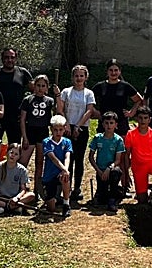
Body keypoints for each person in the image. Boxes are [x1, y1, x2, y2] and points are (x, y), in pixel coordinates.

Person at [58, 65, 97, 204]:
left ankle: (77, 188)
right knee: (68, 159)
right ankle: (65, 188)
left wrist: (78, 126)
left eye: (81, 76)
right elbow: (61, 109)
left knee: (79, 159)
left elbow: (89, 111)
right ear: (72, 77)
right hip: (67, 128)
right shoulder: (66, 92)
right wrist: (67, 124)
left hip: (82, 128)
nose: (79, 78)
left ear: (85, 77)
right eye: (76, 76)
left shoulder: (88, 93)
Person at [123, 106, 152, 211]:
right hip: (138, 167)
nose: (143, 120)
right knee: (142, 200)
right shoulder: (130, 134)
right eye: (140, 118)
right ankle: (148, 190)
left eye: (145, 118)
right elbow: (127, 155)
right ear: (136, 119)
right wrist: (126, 173)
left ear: (149, 119)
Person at [19, 74, 56, 185]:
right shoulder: (28, 100)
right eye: (38, 85)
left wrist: (57, 95)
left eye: (43, 86)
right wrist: (24, 137)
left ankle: (37, 187)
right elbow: (22, 119)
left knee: (39, 162)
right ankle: (20, 184)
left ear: (47, 87)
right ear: (34, 86)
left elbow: (56, 114)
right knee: (23, 161)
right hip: (30, 132)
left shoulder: (49, 101)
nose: (40, 88)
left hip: (43, 132)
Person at [88, 112, 127, 211]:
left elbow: (118, 160)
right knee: (102, 197)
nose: (109, 125)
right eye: (106, 123)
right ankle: (104, 194)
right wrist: (98, 171)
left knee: (116, 172)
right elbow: (91, 157)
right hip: (100, 171)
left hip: (111, 169)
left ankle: (113, 199)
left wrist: (109, 168)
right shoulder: (98, 138)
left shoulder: (118, 140)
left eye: (111, 123)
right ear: (103, 124)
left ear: (116, 125)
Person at [0, 143, 36, 214]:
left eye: (16, 154)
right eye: (11, 152)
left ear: (19, 157)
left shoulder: (22, 170)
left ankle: (9, 206)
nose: (13, 155)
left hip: (15, 198)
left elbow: (23, 189)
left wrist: (17, 198)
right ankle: (11, 207)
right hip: (1, 197)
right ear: (7, 153)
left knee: (31, 195)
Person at [93, 59, 143, 135]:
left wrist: (131, 113)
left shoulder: (125, 86)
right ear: (107, 71)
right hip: (104, 124)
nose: (113, 73)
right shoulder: (100, 86)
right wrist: (96, 113)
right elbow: (88, 101)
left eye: (116, 70)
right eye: (111, 70)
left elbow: (139, 100)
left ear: (120, 71)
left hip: (121, 123)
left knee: (121, 146)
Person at [0, 47, 34, 146]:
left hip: (16, 117)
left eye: (12, 57)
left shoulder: (23, 72)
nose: (9, 60)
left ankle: (12, 162)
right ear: (2, 58)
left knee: (15, 146)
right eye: (6, 57)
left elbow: (36, 90)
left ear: (16, 58)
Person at [40, 115, 74, 218]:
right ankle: (54, 198)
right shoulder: (46, 142)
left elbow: (67, 157)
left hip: (61, 173)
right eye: (55, 130)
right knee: (51, 209)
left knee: (65, 178)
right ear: (51, 129)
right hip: (49, 175)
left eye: (60, 130)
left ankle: (66, 204)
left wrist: (65, 170)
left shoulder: (67, 142)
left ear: (64, 129)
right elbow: (53, 158)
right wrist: (64, 169)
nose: (58, 132)